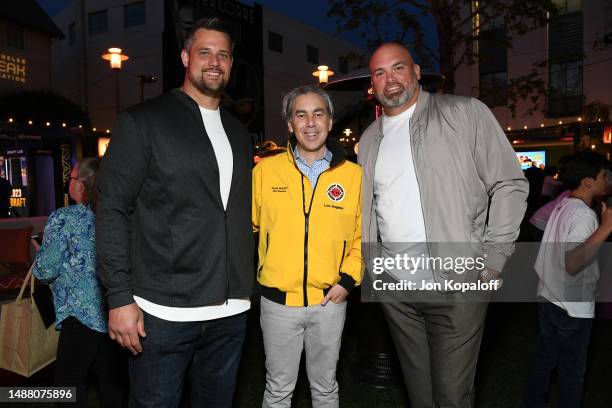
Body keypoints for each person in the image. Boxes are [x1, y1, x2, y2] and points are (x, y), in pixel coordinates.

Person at [358, 42, 528, 408]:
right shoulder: (370, 138)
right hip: (396, 288)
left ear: (417, 71)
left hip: (457, 284)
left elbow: (509, 183)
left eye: (398, 68)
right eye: (379, 72)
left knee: (451, 395)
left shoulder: (464, 112)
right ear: (372, 83)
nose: (390, 80)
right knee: (420, 395)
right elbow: (373, 207)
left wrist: (495, 257)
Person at [95, 18, 254, 408]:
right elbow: (112, 207)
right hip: (163, 313)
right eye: (205, 52)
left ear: (231, 64)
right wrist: (118, 298)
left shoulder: (238, 132)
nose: (215, 62)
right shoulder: (143, 121)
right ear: (185, 57)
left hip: (232, 311)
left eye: (224, 54)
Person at [252, 86, 362, 408]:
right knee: (278, 390)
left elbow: (364, 235)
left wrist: (348, 280)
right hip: (278, 305)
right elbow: (245, 228)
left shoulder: (354, 176)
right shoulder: (264, 172)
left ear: (330, 121)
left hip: (330, 301)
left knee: (326, 389)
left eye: (318, 113)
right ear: (289, 123)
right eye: (301, 114)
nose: (310, 122)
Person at [33, 158, 126, 408]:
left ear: (83, 184)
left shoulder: (65, 218)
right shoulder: (115, 215)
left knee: (67, 384)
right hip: (114, 311)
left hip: (80, 314)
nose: (68, 183)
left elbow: (44, 270)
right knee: (111, 382)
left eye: (72, 178)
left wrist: (41, 255)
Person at [522, 152, 611, 408]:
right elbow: (573, 262)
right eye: (604, 175)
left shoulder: (564, 204)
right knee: (572, 372)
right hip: (572, 307)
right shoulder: (584, 216)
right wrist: (606, 228)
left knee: (543, 361)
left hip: (550, 297)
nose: (608, 180)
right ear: (588, 181)